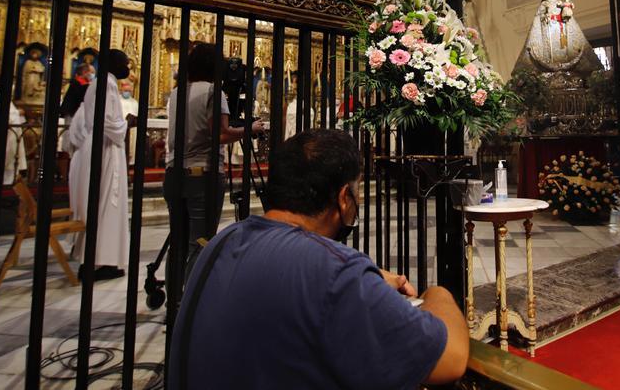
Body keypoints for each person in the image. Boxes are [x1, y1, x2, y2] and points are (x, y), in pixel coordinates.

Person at [169, 129, 469, 388]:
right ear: (343, 197)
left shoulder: (223, 241)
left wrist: (368, 281)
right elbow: (451, 360)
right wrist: (437, 294)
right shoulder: (334, 272)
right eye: (358, 190)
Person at [164, 42, 265, 280]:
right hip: (203, 175)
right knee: (200, 241)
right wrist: (249, 129)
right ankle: (190, 307)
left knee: (178, 242)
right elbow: (218, 135)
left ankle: (175, 304)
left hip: (174, 173)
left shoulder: (178, 92)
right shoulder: (212, 92)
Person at [68, 49, 131, 281]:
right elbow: (108, 122)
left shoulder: (103, 82)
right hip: (104, 148)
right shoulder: (107, 84)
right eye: (125, 62)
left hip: (104, 146)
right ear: (114, 63)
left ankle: (104, 260)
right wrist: (126, 124)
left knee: (104, 206)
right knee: (103, 204)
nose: (128, 67)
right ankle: (94, 262)